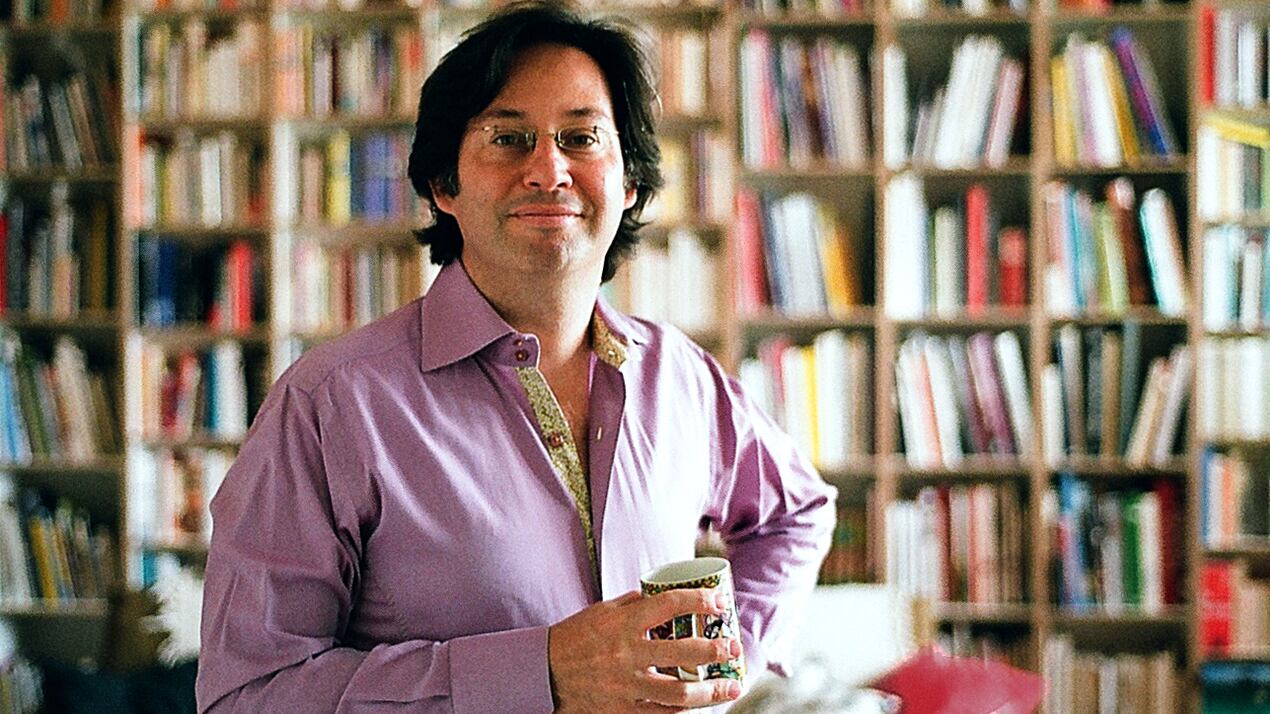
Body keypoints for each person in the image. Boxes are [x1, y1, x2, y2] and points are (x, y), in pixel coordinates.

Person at [195, 3, 835, 712]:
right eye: (508, 138)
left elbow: (796, 513)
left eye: (582, 137)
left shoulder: (680, 375)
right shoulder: (330, 405)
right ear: (444, 185)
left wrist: (726, 661)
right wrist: (541, 673)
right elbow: (247, 695)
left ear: (628, 184)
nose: (549, 169)